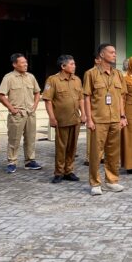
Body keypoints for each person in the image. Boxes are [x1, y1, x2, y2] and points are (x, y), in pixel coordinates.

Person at [83, 44, 127, 196]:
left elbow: (122, 97)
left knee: (113, 152)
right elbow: (87, 97)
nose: (115, 55)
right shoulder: (91, 74)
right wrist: (89, 119)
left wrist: (122, 116)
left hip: (115, 119)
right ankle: (95, 183)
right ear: (101, 55)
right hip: (98, 119)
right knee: (96, 153)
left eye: (115, 52)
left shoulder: (118, 74)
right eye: (111, 52)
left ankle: (112, 181)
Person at [43, 55, 85, 184]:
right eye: (71, 64)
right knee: (61, 147)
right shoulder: (53, 80)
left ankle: (69, 171)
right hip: (61, 120)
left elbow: (81, 98)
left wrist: (83, 114)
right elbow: (48, 100)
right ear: (63, 66)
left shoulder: (77, 80)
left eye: (74, 64)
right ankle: (59, 172)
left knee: (72, 147)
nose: (74, 66)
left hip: (75, 119)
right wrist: (52, 118)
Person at [0, 53, 41, 173]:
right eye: (22, 62)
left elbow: (37, 92)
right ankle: (12, 162)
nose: (26, 64)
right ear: (15, 64)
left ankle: (30, 161)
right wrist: (11, 108)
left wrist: (35, 105)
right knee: (14, 139)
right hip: (17, 114)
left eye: (26, 62)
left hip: (30, 113)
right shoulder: (9, 78)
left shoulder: (31, 77)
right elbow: (0, 95)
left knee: (31, 138)